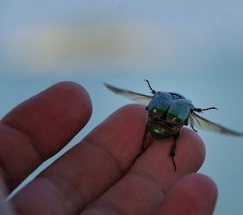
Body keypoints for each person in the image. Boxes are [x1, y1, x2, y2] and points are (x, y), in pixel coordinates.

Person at [0, 82, 217, 215]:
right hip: (169, 129)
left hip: (154, 126)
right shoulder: (186, 106)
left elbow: (148, 108)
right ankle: (166, 151)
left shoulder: (157, 97)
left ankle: (143, 144)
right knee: (178, 135)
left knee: (148, 126)